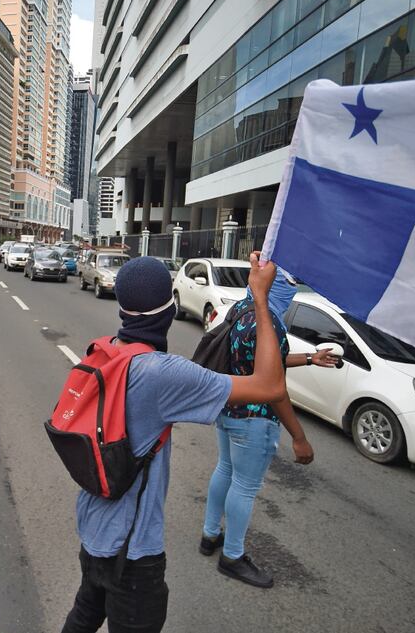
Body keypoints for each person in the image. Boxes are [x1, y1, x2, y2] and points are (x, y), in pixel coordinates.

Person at [61, 254, 287, 633]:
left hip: (94, 526)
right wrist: (261, 301)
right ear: (168, 307)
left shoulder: (107, 352)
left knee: (86, 611)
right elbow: (269, 386)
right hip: (132, 551)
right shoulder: (162, 374)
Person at [200, 269, 339, 588]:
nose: (289, 297)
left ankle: (210, 536)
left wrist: (309, 359)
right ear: (274, 289)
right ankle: (232, 556)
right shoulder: (269, 322)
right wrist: (299, 438)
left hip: (227, 406)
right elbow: (274, 387)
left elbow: (266, 358)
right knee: (245, 487)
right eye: (287, 289)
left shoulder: (241, 309)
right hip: (254, 417)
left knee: (224, 470)